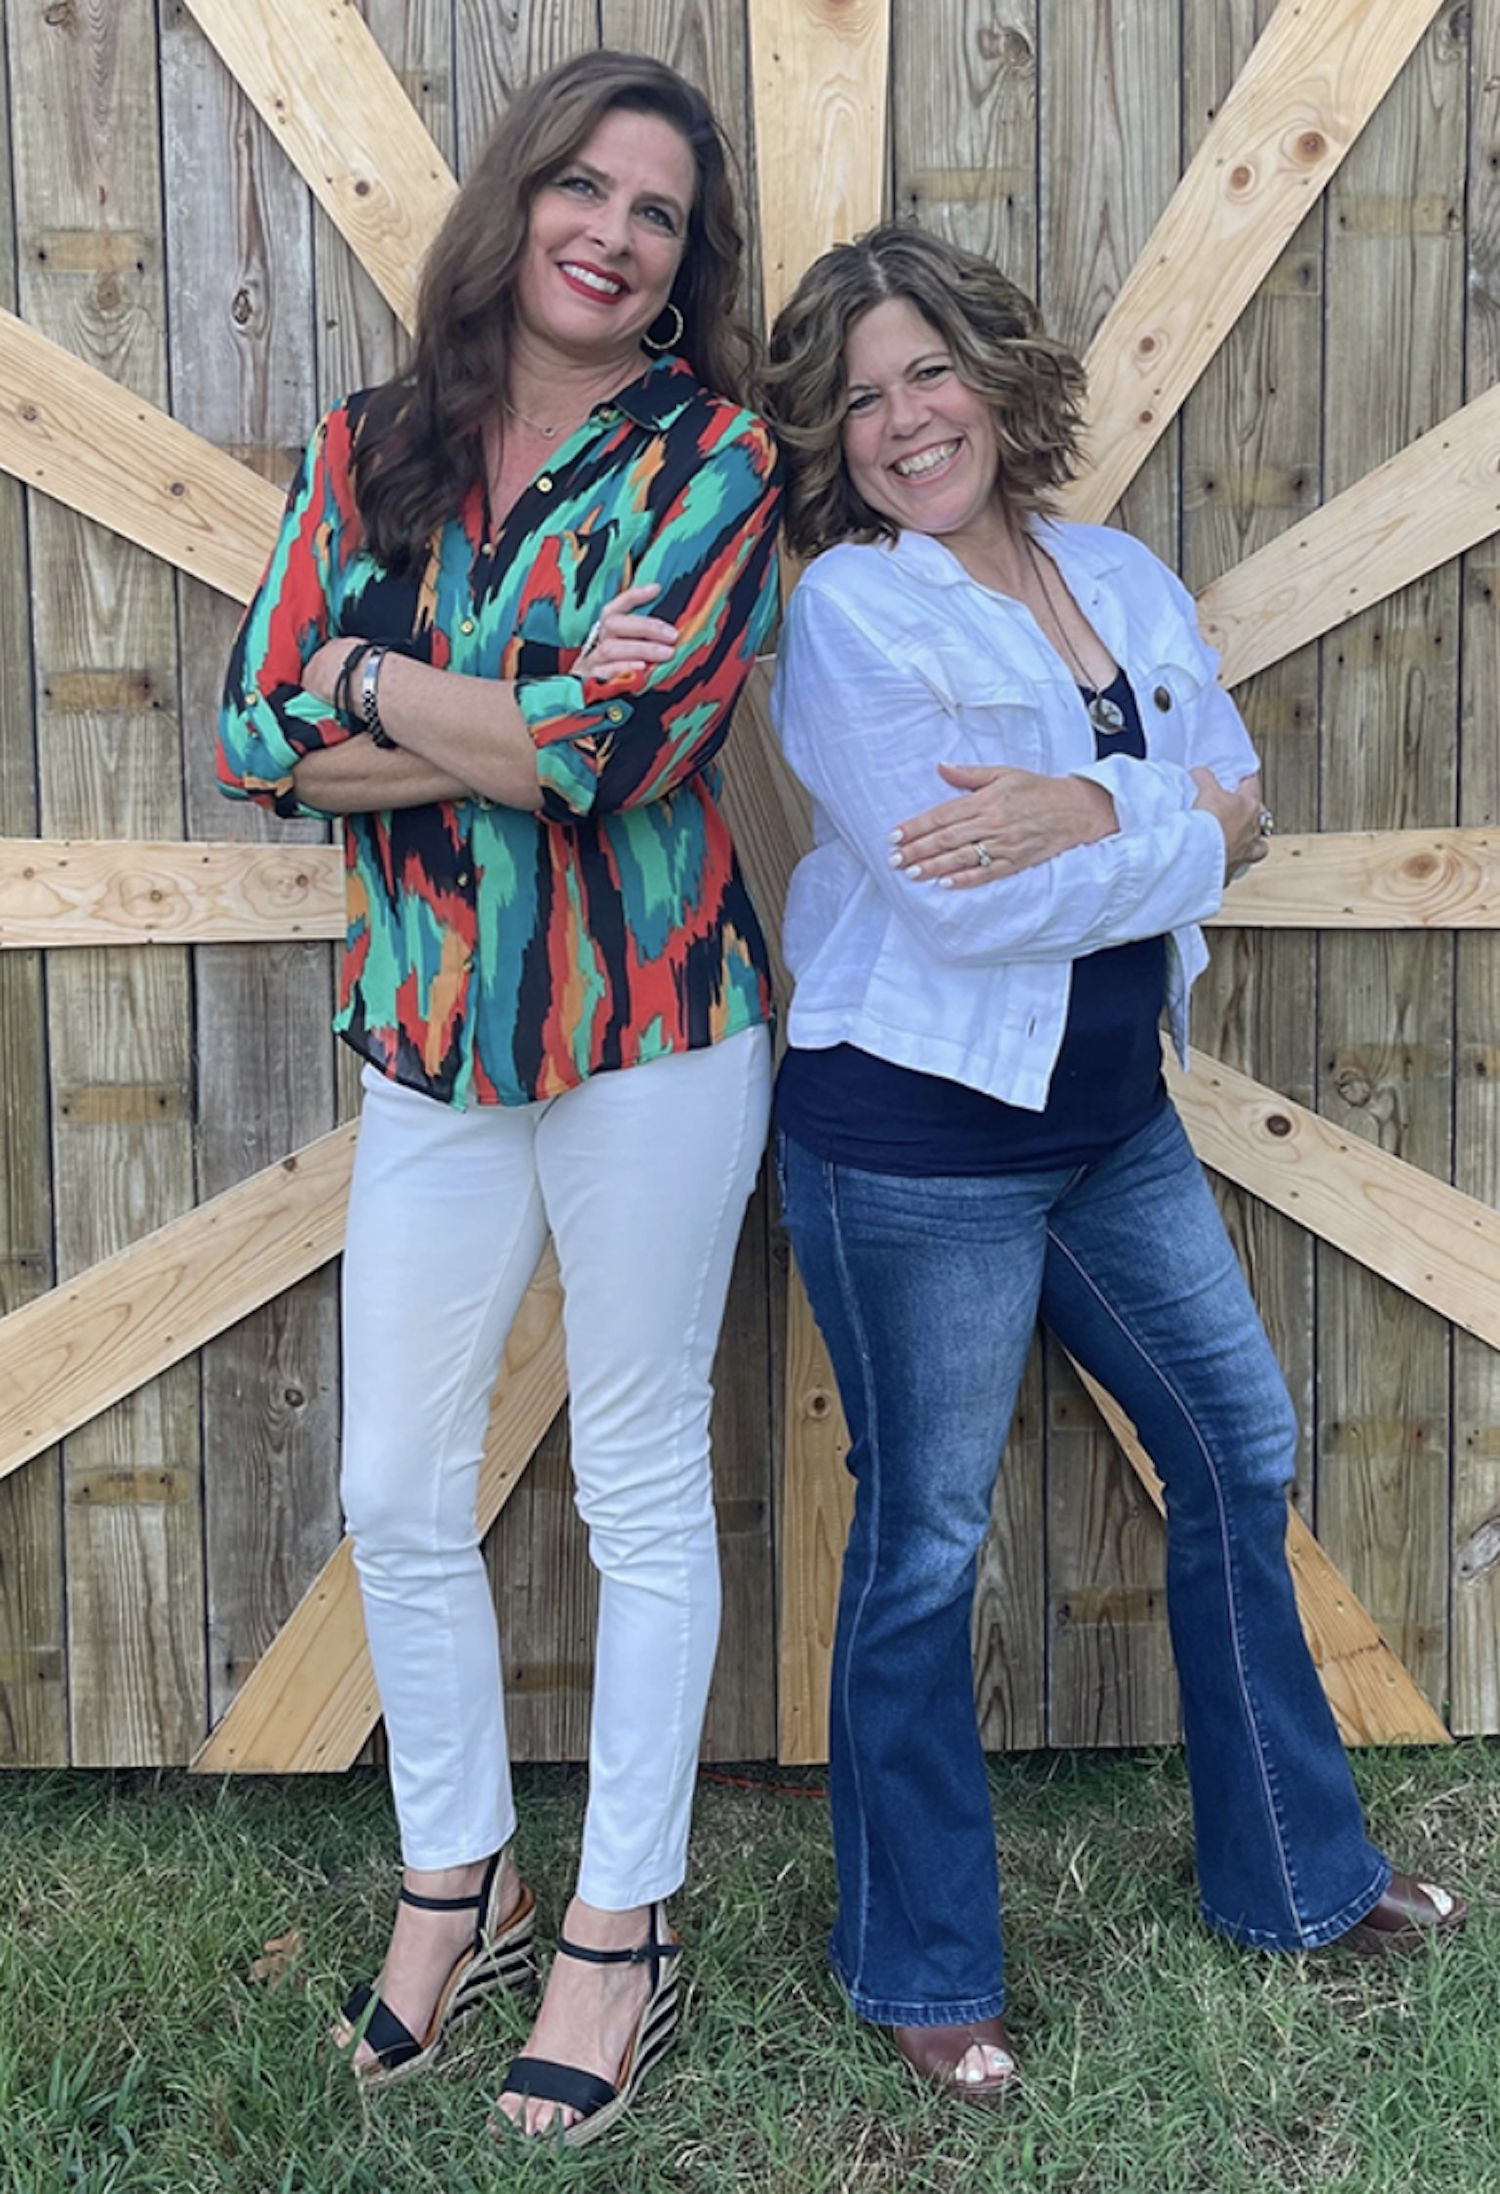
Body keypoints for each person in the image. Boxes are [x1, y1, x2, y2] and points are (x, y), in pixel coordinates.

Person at [759, 223, 1464, 2109]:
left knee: (1238, 1452)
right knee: (924, 1545)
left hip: (1111, 1122)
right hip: (915, 1138)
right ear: (833, 440)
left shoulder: (1117, 570)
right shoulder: (853, 615)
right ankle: (922, 1960)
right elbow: (954, 898)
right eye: (863, 396)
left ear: (993, 373)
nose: (908, 419)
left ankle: (1298, 1884)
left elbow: (1247, 810)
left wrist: (1092, 806)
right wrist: (1159, 810)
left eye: (932, 372)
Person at [218, 50, 781, 2146]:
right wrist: (466, 699)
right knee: (392, 1483)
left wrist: (380, 682)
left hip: (657, 1031)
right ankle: (456, 1870)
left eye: (659, 215)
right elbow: (252, 726)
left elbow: (622, 764)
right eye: (587, 186)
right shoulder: (368, 446)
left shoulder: (714, 462)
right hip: (437, 1033)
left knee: (637, 1483)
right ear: (520, 198)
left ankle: (620, 1921)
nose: (615, 232)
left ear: (678, 267)